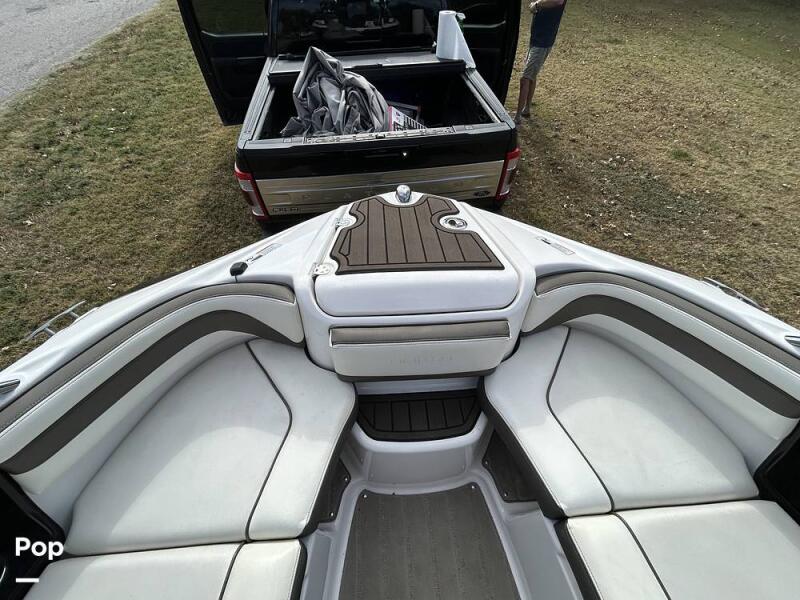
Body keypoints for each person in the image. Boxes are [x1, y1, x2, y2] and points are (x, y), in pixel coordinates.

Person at [515, 0, 567, 124]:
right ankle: (526, 109)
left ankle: (516, 117)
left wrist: (537, 4)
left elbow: (557, 1)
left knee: (525, 78)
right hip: (537, 38)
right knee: (532, 75)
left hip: (542, 41)